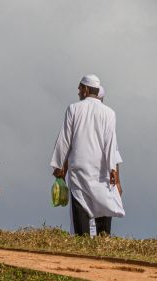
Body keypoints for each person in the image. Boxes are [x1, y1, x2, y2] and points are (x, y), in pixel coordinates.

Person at [50, 74, 124, 236]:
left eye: (79, 88)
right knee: (103, 202)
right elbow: (111, 141)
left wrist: (58, 165)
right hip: (102, 169)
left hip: (79, 167)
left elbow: (64, 139)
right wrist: (113, 169)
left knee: (80, 203)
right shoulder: (109, 113)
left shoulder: (73, 108)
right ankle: (103, 239)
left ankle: (82, 239)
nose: (78, 91)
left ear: (85, 89)